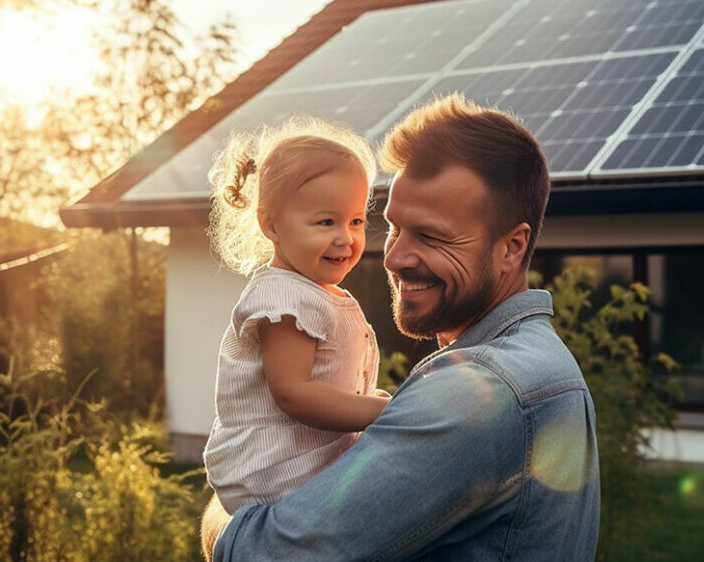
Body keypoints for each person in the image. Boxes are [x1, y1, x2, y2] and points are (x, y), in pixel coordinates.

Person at [203, 94, 600, 561]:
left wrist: (221, 512)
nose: (393, 257)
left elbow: (261, 553)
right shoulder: (534, 361)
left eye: (431, 235)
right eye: (393, 228)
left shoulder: (479, 393)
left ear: (512, 247)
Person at [203, 117, 390, 513]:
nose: (346, 237)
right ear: (271, 223)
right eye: (326, 222)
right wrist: (381, 412)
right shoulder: (284, 296)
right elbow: (295, 393)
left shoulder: (315, 293)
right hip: (276, 470)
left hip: (300, 464)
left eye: (355, 221)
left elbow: (328, 384)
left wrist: (369, 400)